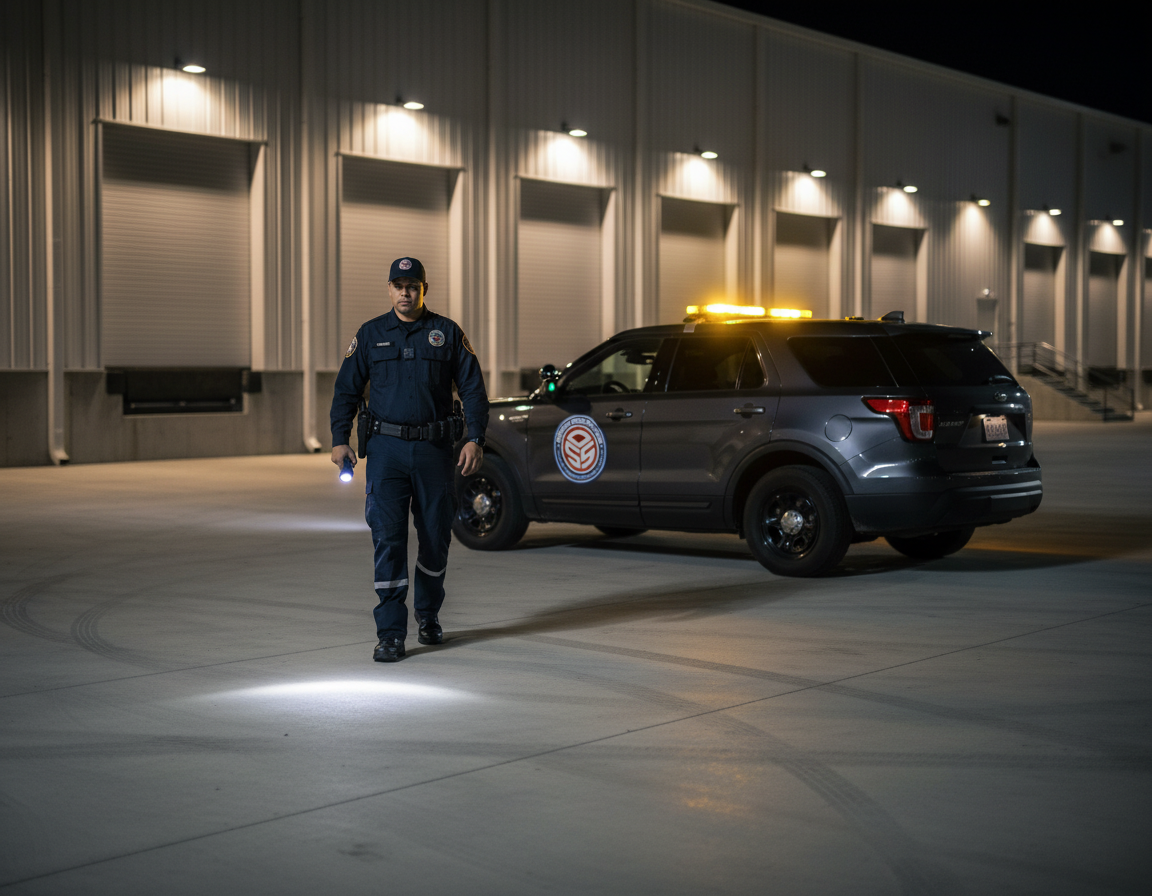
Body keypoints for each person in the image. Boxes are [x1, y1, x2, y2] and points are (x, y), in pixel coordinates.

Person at [330, 257, 488, 662]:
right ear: (389, 289)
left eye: (412, 285)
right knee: (388, 539)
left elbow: (472, 389)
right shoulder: (370, 335)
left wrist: (475, 438)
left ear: (424, 289)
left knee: (436, 536)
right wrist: (339, 439)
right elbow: (346, 390)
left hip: (435, 451)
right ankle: (390, 633)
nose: (405, 292)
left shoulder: (446, 333)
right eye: (398, 285)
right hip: (386, 452)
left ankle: (428, 615)